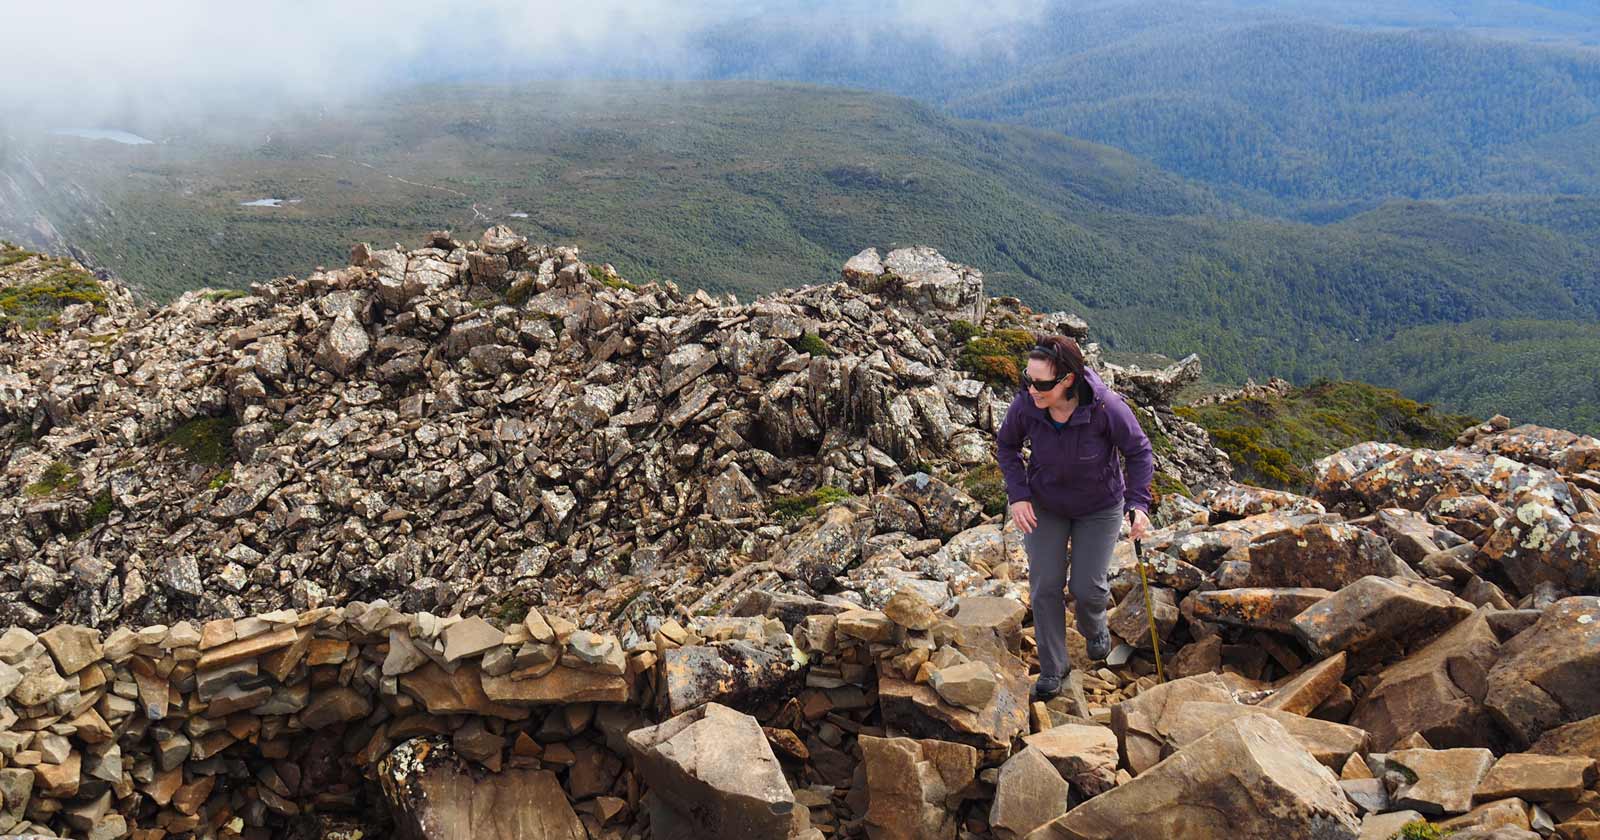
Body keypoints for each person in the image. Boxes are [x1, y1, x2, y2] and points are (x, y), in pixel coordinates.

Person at [995, 335, 1154, 701]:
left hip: (1099, 508)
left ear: (1068, 380)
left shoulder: (1105, 407)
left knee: (1087, 588)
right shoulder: (1026, 405)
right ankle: (1054, 668)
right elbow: (1007, 446)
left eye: (1042, 384)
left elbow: (1139, 451)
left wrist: (1139, 504)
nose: (1032, 389)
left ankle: (1094, 625)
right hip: (1045, 505)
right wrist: (1018, 496)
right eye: (1027, 379)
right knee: (1045, 585)